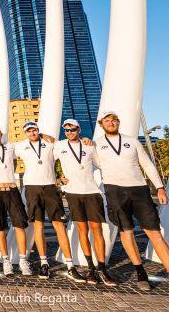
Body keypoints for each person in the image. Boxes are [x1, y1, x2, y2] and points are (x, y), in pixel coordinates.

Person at [92, 111, 169, 301]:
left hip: (139, 189)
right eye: (107, 120)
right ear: (102, 124)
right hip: (114, 191)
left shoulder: (132, 141)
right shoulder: (96, 144)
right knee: (127, 232)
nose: (111, 122)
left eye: (114, 120)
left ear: (118, 123)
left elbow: (147, 165)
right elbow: (92, 164)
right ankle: (140, 272)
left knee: (155, 233)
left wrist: (160, 188)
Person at [54, 119, 116, 286]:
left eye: (72, 129)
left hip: (92, 192)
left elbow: (102, 164)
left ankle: (102, 268)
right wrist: (58, 178)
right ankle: (91, 269)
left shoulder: (89, 146)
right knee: (82, 230)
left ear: (78, 129)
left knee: (97, 231)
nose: (69, 132)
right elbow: (46, 159)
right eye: (66, 130)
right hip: (73, 193)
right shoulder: (60, 146)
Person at [13, 121, 78, 280]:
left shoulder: (50, 144)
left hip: (50, 187)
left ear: (38, 130)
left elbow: (66, 151)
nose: (32, 133)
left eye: (34, 130)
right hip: (32, 188)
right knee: (38, 225)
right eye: (29, 131)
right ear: (25, 133)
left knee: (59, 225)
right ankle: (44, 263)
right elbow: (2, 150)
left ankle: (70, 265)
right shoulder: (21, 146)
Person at [0, 125, 30, 276]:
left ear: (1, 134)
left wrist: (44, 136)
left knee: (20, 225)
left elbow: (28, 140)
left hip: (12, 190)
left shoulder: (11, 147)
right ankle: (6, 261)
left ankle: (23, 260)